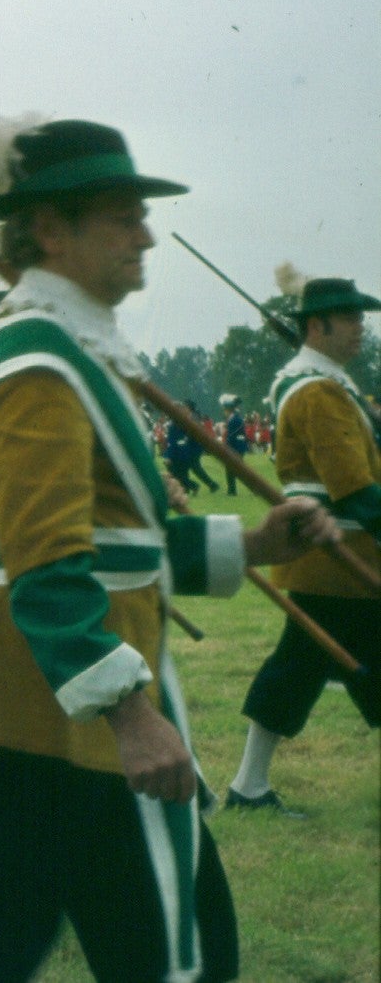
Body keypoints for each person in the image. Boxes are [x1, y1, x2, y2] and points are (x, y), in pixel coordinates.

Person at [0, 120, 337, 982]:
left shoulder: (66, 351)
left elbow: (121, 543)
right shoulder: (34, 363)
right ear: (49, 229)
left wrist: (257, 541)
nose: (145, 236)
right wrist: (129, 711)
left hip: (43, 714)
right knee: (172, 948)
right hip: (52, 714)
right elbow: (44, 562)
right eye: (123, 217)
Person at [227, 276, 380, 816]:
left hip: (335, 562)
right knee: (298, 669)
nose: (362, 327)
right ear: (318, 326)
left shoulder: (327, 382)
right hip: (341, 560)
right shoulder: (316, 390)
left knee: (298, 668)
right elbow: (356, 491)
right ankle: (246, 787)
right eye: (351, 317)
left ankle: (248, 787)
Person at [221, 396, 249, 496]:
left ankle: (232, 491)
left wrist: (226, 444)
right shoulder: (235, 418)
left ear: (228, 409)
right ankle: (231, 490)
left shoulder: (234, 419)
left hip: (236, 447)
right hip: (237, 446)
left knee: (236, 470)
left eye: (225, 409)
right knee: (235, 470)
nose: (224, 411)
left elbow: (232, 435)